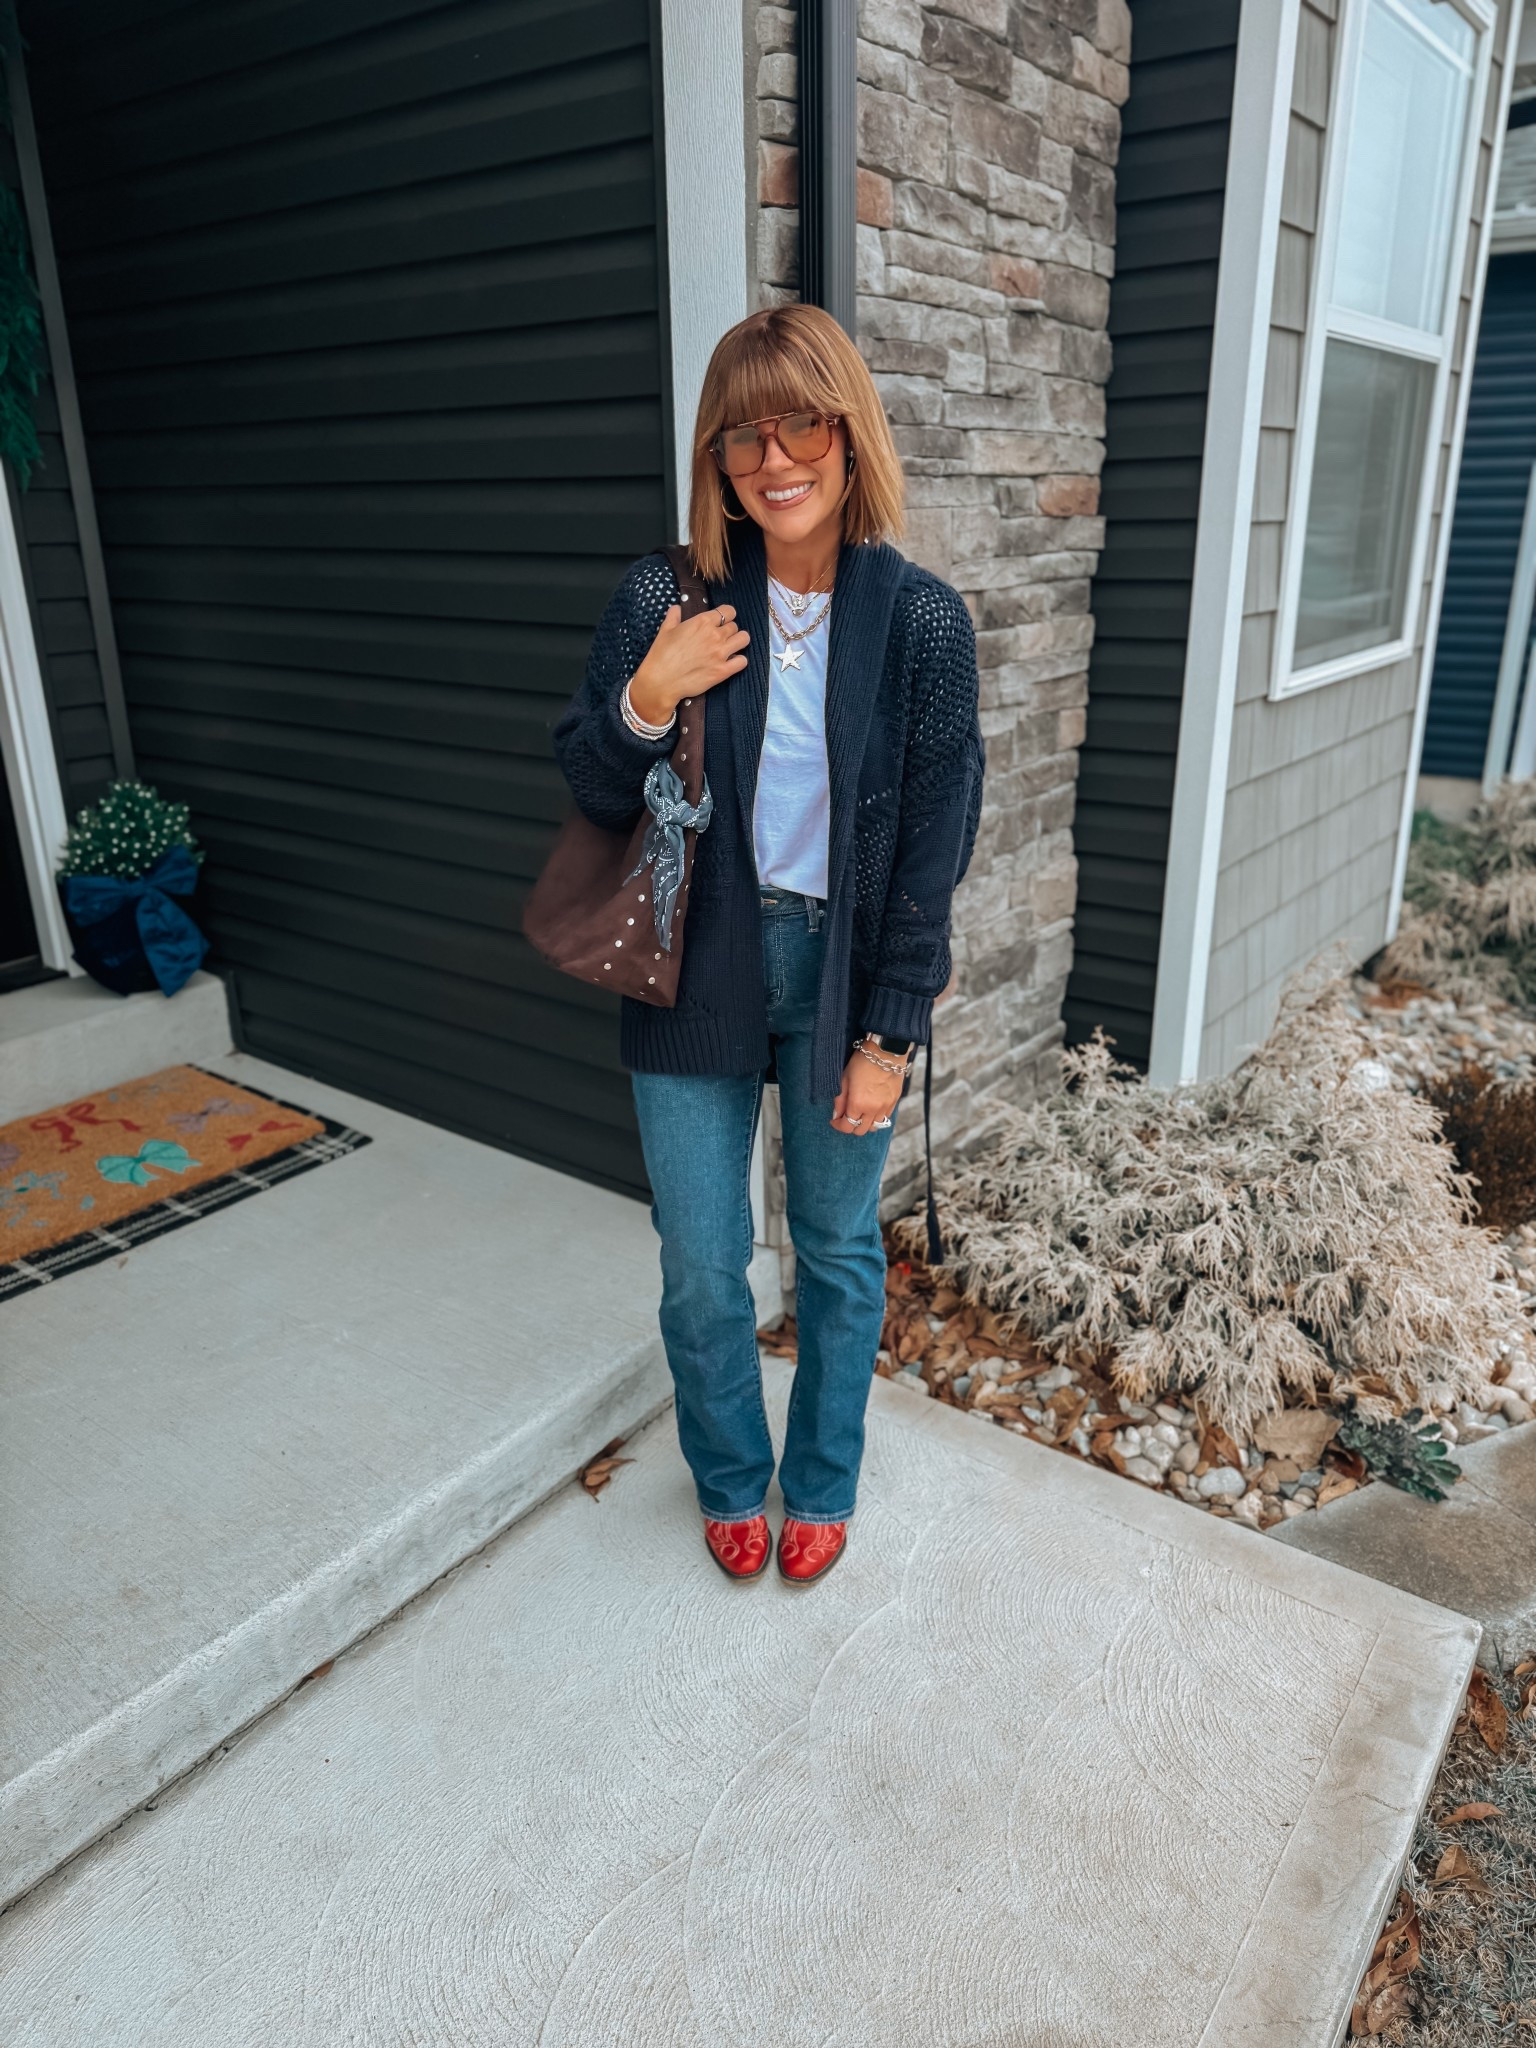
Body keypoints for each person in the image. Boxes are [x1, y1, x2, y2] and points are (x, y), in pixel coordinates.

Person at [552, 304, 984, 1586]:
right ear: (719, 454)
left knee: (840, 1250)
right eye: (745, 432)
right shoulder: (664, 596)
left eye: (802, 419)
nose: (773, 454)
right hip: (697, 969)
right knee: (701, 1258)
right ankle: (734, 1474)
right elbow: (588, 781)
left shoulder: (921, 624)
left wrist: (890, 1033)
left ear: (849, 433)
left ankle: (825, 1477)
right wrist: (649, 694)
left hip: (842, 974)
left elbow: (933, 846)